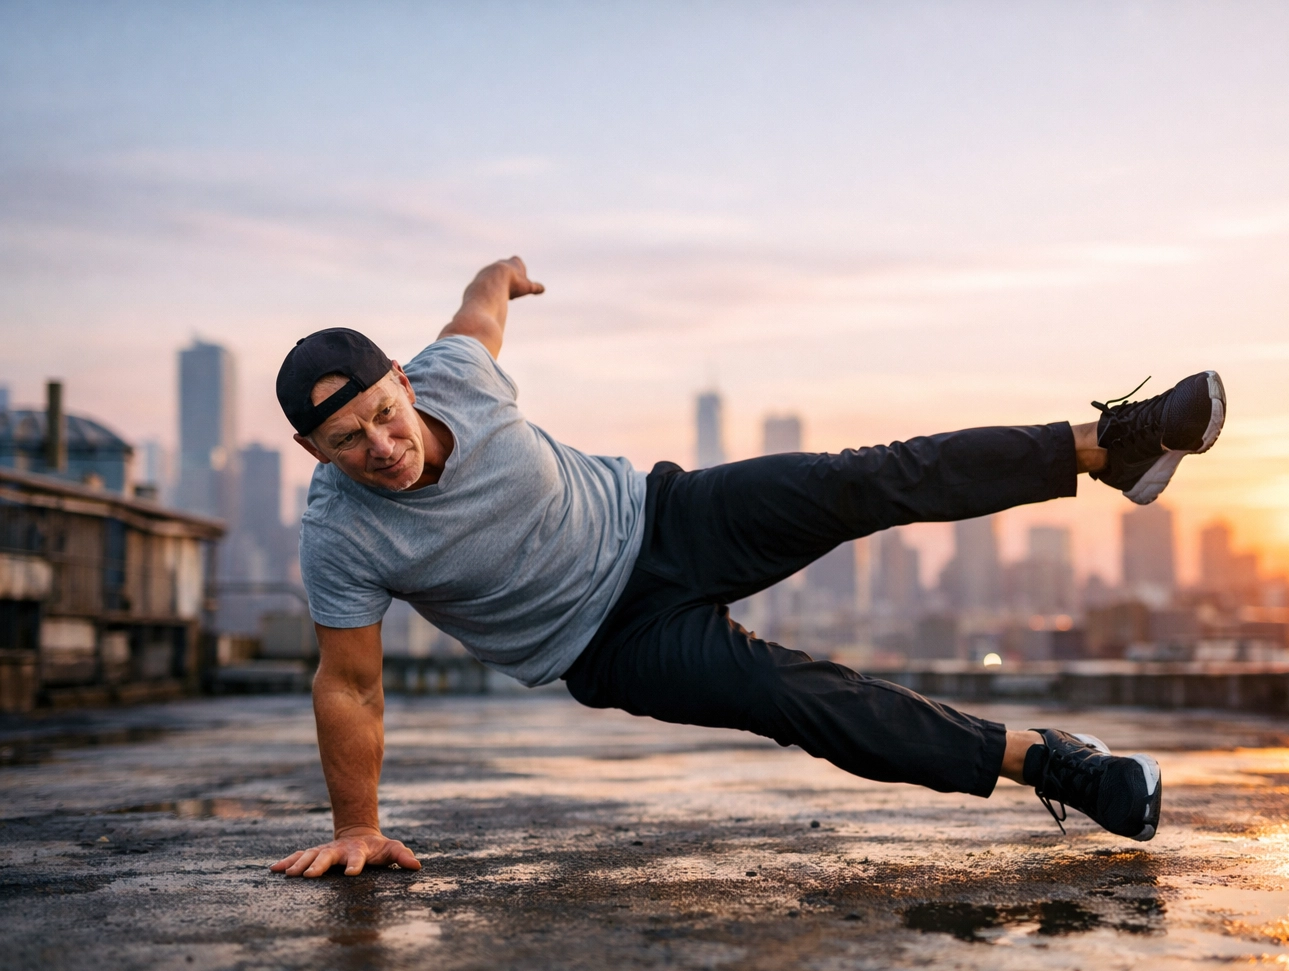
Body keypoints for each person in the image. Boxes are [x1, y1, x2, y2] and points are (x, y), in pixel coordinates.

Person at [269, 256, 1226, 879]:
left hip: (665, 514)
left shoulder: (457, 373)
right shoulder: (342, 535)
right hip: (611, 645)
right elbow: (350, 684)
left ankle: (1114, 445)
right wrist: (358, 824)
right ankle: (1056, 765)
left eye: (383, 415)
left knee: (865, 480)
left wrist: (499, 275)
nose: (381, 447)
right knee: (796, 696)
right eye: (346, 443)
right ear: (316, 454)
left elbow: (477, 309)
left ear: (402, 378)